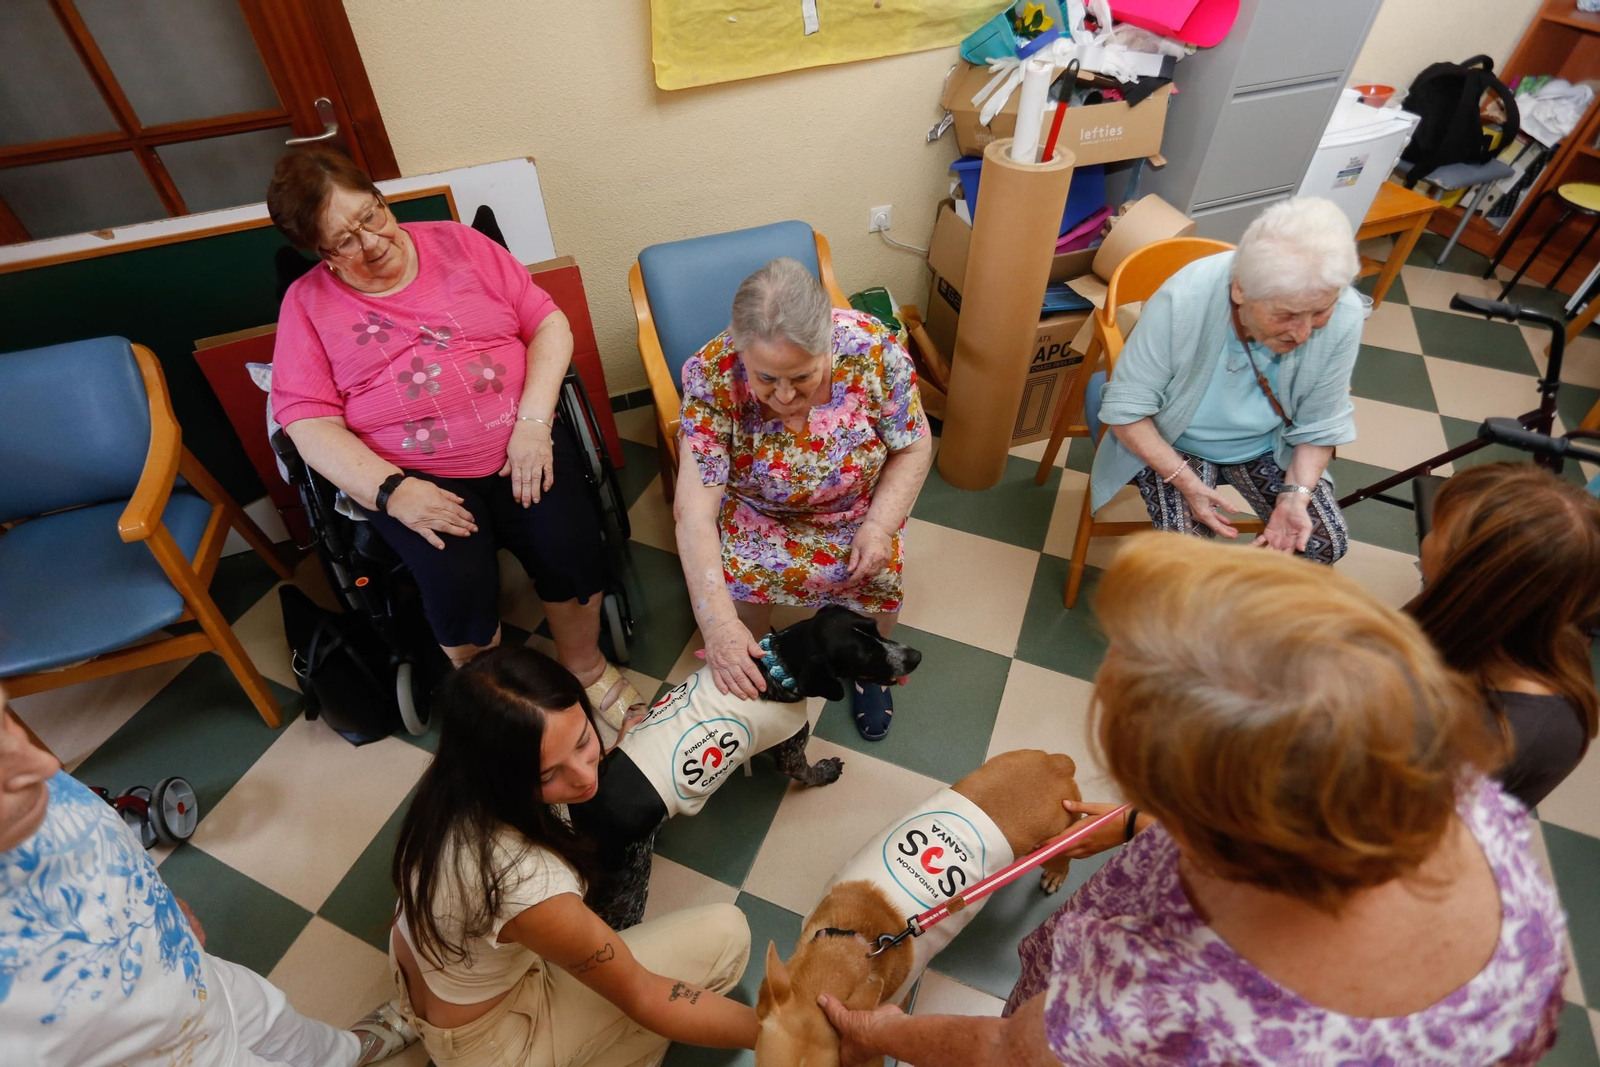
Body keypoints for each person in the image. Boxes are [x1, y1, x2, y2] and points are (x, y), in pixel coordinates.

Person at [816, 535, 1567, 1066]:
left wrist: (876, 1030)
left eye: (1153, 789)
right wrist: (1142, 822)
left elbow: (1005, 1053)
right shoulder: (1484, 822)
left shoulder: (1163, 997)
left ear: (1219, 819)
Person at [266, 148, 638, 719]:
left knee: (568, 543)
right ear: (319, 252)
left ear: (381, 198)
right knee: (456, 582)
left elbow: (548, 324)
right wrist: (393, 492)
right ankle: (495, 701)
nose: (371, 242)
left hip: (522, 439)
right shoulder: (308, 304)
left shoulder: (459, 245)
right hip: (413, 476)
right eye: (344, 240)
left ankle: (584, 666)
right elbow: (307, 421)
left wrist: (535, 425)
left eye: (371, 215)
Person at [0, 687, 413, 1065]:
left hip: (193, 974)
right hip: (160, 1055)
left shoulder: (29, 784)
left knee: (280, 1025)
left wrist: (154, 906)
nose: (44, 762)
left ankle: (341, 1054)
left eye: (3, 719)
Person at [388, 645, 757, 1067]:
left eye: (583, 740)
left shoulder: (458, 783)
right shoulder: (530, 884)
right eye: (548, 774)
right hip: (496, 1046)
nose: (587, 776)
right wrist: (785, 1035)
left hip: (439, 984)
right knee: (728, 936)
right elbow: (644, 995)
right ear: (507, 776)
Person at [673, 257, 933, 740]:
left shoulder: (874, 351)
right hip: (758, 515)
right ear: (741, 349)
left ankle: (868, 670)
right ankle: (753, 657)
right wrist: (719, 628)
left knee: (877, 576)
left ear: (829, 344)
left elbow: (914, 445)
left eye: (803, 377)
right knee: (737, 609)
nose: (786, 397)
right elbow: (694, 514)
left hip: (857, 511)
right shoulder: (712, 376)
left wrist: (879, 526)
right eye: (767, 378)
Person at [1091, 197, 1362, 563]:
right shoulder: (1186, 298)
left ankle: (1252, 614)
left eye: (1320, 311)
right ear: (1240, 290)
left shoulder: (1345, 313)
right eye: (1287, 315)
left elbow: (1320, 423)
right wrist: (1186, 482)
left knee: (1322, 543)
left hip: (1269, 443)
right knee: (1188, 562)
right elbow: (1126, 412)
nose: (1303, 333)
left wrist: (1294, 496)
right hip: (1173, 441)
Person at [1409, 462, 1600, 808]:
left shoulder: (1493, 738)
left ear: (1470, 583)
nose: (1425, 540)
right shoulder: (1527, 623)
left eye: (1436, 530)